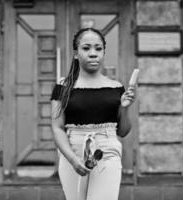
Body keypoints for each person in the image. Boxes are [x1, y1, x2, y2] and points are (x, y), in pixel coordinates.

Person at [50, 27, 135, 200]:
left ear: (104, 52)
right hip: (72, 150)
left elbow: (123, 131)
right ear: (76, 53)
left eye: (98, 48)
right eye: (86, 48)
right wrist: (73, 160)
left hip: (107, 149)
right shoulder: (63, 87)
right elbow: (57, 128)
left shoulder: (116, 88)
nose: (93, 53)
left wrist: (124, 107)